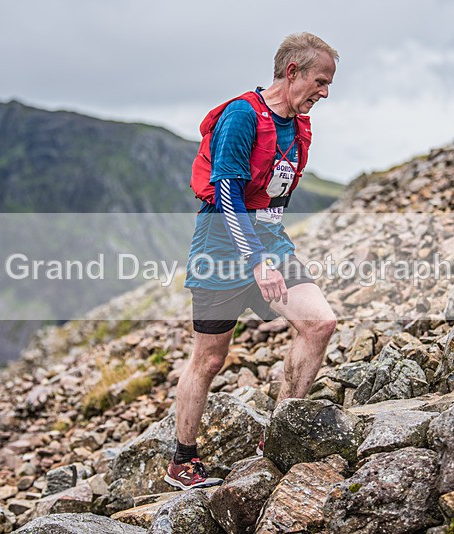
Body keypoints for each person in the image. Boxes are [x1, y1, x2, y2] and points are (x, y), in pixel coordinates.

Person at [164, 32, 339, 490]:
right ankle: (182, 460)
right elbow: (225, 195)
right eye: (320, 82)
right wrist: (256, 261)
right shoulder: (243, 116)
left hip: (270, 243)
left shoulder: (298, 127)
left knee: (319, 323)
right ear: (292, 71)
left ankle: (279, 437)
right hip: (221, 250)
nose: (325, 93)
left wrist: (268, 252)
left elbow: (273, 196)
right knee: (209, 359)